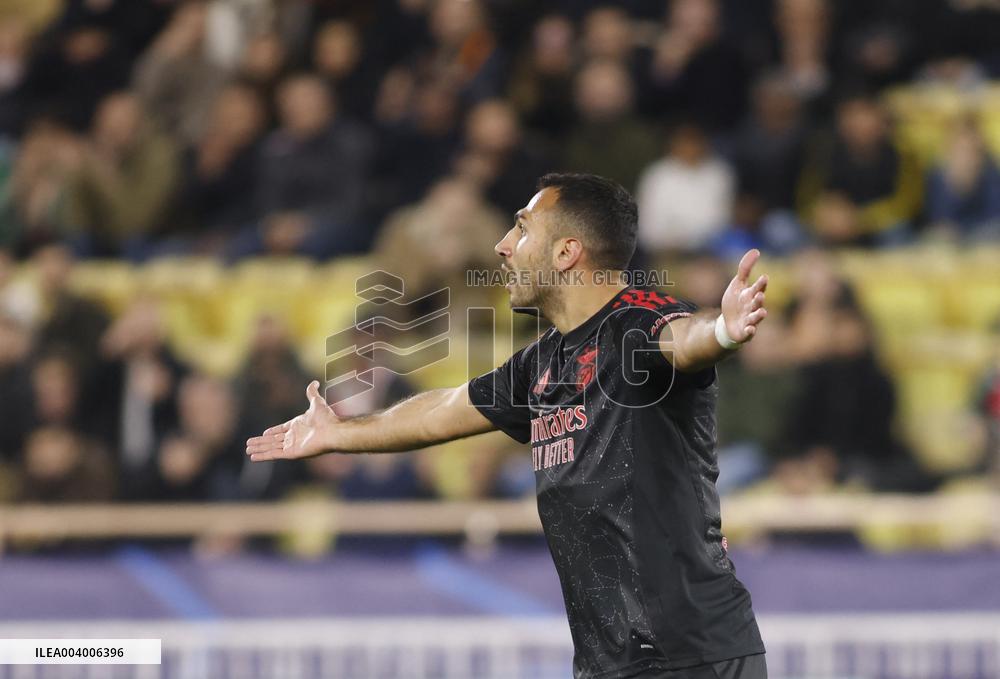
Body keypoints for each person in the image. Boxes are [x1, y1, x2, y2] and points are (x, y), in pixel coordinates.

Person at [246, 173, 768, 678]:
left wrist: (722, 330)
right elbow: (442, 412)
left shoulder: (636, 324)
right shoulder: (540, 364)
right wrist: (339, 432)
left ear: (567, 253)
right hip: (610, 663)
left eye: (521, 228)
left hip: (692, 655)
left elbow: (682, 340)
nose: (502, 245)